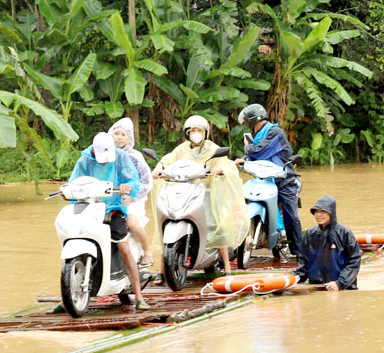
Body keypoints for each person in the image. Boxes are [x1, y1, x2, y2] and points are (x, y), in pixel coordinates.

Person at [152, 115, 247, 275]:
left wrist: (220, 169)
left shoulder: (212, 149)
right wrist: (158, 169)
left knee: (216, 227)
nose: (195, 133)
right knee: (166, 223)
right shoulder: (181, 149)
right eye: (192, 130)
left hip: (206, 193)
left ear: (205, 132)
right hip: (184, 191)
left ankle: (227, 268)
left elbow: (226, 163)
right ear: (187, 133)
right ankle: (161, 271)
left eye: (199, 130)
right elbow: (166, 160)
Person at [69, 131, 145, 306]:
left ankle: (139, 296)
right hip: (89, 209)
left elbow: (133, 180)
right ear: (93, 150)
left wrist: (127, 187)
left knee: (124, 247)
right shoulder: (85, 160)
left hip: (113, 209)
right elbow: (74, 183)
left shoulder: (120, 156)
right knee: (75, 240)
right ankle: (68, 299)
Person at [236, 103, 303, 259]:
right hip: (266, 180)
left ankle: (300, 252)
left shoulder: (275, 132)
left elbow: (260, 151)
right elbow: (254, 156)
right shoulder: (260, 135)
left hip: (285, 181)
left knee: (291, 216)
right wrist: (243, 160)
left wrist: (247, 147)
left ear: (252, 120)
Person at [109, 116, 154, 267]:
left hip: (133, 199)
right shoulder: (104, 155)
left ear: (129, 138)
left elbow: (146, 181)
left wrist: (131, 196)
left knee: (132, 224)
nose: (119, 137)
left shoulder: (135, 157)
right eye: (116, 133)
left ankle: (147, 251)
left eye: (123, 134)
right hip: (110, 197)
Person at [294, 196, 361, 290]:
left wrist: (339, 283)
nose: (318, 215)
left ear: (331, 212)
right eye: (316, 211)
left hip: (342, 288)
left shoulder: (344, 232)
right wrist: (293, 279)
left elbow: (354, 261)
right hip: (317, 288)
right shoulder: (310, 233)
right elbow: (304, 263)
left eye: (322, 211)